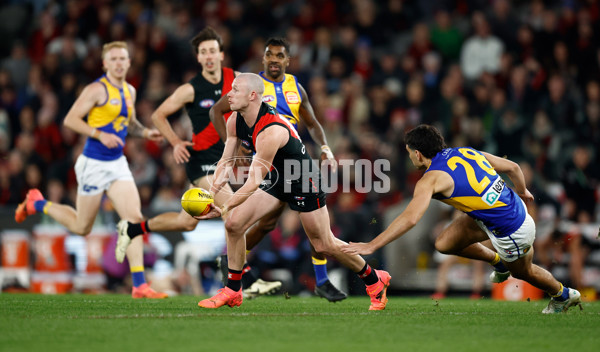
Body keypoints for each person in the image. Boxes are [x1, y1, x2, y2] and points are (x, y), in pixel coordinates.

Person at [197, 73, 390, 310]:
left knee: (323, 245)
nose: (229, 94)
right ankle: (233, 290)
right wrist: (211, 193)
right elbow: (226, 162)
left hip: (303, 179)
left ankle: (374, 279)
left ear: (253, 95)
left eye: (235, 90)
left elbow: (253, 181)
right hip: (278, 177)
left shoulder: (271, 130)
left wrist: (225, 206)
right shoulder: (234, 120)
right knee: (234, 224)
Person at [114, 27, 282, 298]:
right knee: (233, 213)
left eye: (212, 51)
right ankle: (245, 279)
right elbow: (158, 115)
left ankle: (133, 228)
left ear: (221, 54)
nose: (209, 56)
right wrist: (176, 142)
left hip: (226, 159)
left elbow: (261, 103)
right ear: (198, 58)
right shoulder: (191, 89)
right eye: (203, 52)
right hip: (201, 161)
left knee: (187, 222)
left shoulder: (238, 80)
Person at [342, 124, 582, 314]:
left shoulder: (430, 179)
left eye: (409, 153)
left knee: (523, 272)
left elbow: (411, 218)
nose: (410, 158)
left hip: (513, 231)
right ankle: (497, 262)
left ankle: (562, 294)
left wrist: (372, 245)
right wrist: (522, 191)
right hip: (510, 210)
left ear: (417, 154)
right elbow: (513, 167)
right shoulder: (464, 151)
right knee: (443, 243)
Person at [15, 41, 167, 299]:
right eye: (114, 59)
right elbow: (70, 119)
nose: (119, 63)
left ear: (129, 63)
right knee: (82, 226)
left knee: (134, 218)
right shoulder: (97, 89)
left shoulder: (130, 90)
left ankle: (140, 284)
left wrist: (145, 132)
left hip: (117, 163)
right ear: (105, 64)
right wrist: (100, 134)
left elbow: (127, 123)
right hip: (93, 164)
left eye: (123, 58)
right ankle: (37, 203)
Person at [210, 37, 347, 302]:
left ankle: (325, 279)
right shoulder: (250, 86)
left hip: (293, 163)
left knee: (313, 230)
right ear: (263, 59)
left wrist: (325, 147)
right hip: (267, 164)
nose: (274, 59)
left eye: (279, 55)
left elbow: (313, 122)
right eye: (269, 55)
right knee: (264, 223)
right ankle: (233, 264)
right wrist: (236, 145)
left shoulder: (296, 87)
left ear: (287, 60)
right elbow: (218, 112)